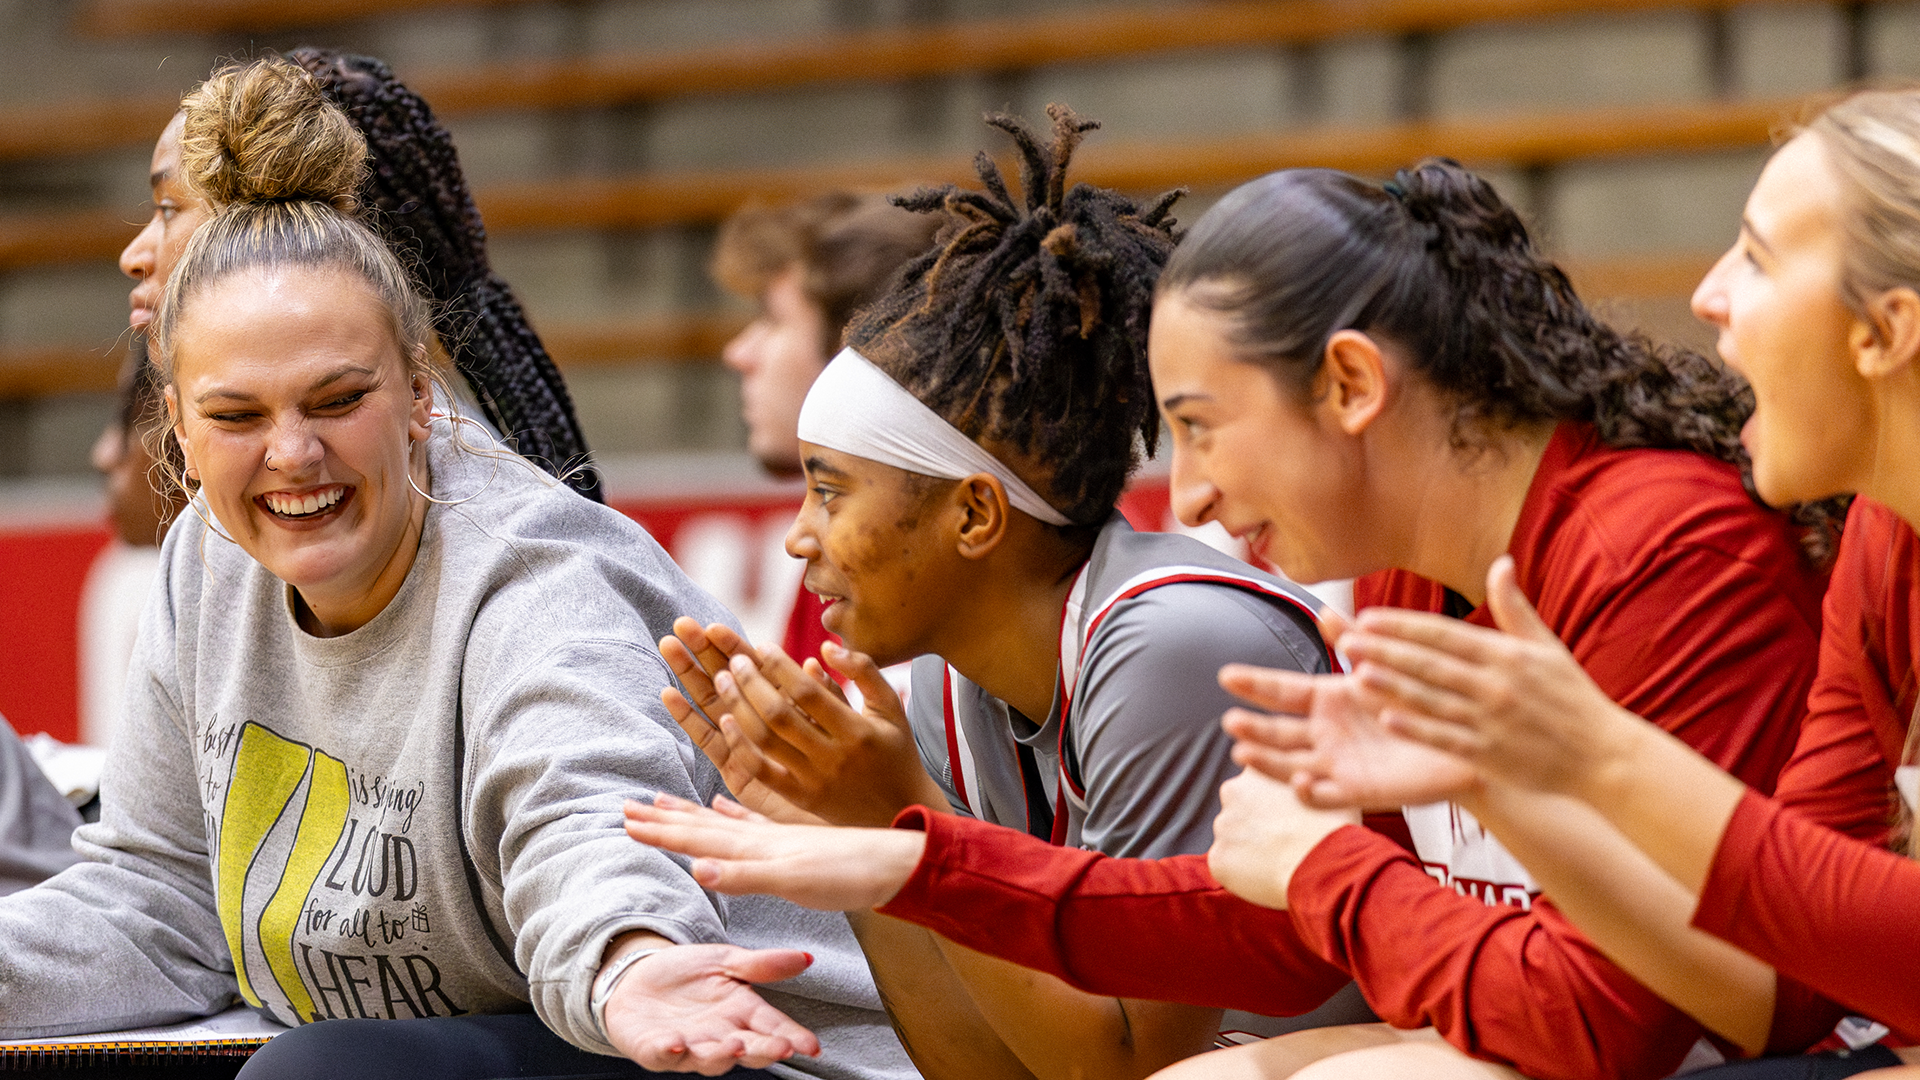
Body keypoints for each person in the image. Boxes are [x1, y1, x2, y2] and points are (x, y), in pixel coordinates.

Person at [627, 158, 1849, 1080]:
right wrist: (917, 864)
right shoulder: (1410, 576)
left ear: (1351, 385)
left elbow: (1613, 1019)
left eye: (1203, 427)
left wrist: (1329, 877)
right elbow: (1280, 923)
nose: (1196, 494)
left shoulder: (1662, 548)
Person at [0, 56, 915, 1080]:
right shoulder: (204, 561)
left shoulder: (534, 581)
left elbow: (584, 819)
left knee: (320, 1076)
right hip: (537, 1034)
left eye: (338, 400)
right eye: (237, 416)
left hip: (726, 1042)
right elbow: (159, 902)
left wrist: (629, 956)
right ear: (177, 423)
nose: (293, 453)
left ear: (420, 396)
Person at [1233, 88, 1920, 1079]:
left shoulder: (1663, 540)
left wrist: (1589, 757)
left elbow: (1636, 1017)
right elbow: (1791, 970)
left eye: (1759, 258)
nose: (1709, 293)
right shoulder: (1882, 539)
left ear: (1886, 331)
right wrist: (1507, 784)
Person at [654, 106, 1346, 1080]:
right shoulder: (950, 685)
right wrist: (863, 838)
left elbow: (1124, 1071)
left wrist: (908, 827)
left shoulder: (1172, 643)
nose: (801, 534)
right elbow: (983, 1071)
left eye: (830, 490)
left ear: (976, 515)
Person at [117, 47, 600, 502]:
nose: (132, 256)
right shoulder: (201, 541)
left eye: (168, 208)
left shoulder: (496, 529)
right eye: (236, 416)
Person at [710, 192, 941, 668]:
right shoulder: (829, 562)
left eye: (773, 319)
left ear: (854, 349)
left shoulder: (919, 581)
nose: (738, 353)